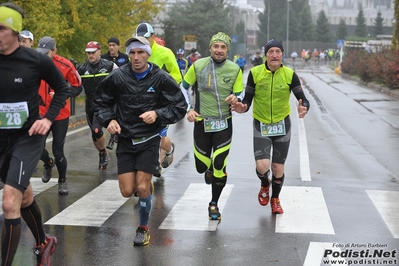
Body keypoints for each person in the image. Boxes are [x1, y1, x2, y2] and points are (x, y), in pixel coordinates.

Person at [93, 36, 187, 246]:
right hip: (126, 139)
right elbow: (100, 101)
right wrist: (109, 120)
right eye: (133, 53)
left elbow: (180, 106)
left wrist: (157, 114)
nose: (136, 57)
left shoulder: (161, 78)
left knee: (143, 187)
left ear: (148, 54)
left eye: (140, 52)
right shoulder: (118, 77)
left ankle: (143, 228)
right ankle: (145, 194)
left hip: (149, 138)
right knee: (127, 191)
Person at [0, 3, 70, 265]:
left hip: (27, 138)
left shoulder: (36, 60)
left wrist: (48, 118)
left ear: (15, 31)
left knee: (9, 202)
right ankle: (44, 241)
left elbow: (62, 89)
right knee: (24, 196)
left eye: (1, 28)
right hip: (1, 140)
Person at [231, 39, 310, 214]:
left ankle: (275, 199)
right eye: (271, 52)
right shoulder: (255, 73)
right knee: (262, 166)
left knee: (278, 168)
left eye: (278, 51)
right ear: (265, 54)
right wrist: (241, 107)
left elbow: (302, 98)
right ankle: (264, 183)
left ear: (282, 54)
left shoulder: (290, 74)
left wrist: (303, 106)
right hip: (261, 123)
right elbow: (247, 101)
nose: (274, 55)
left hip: (282, 124)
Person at [182, 32, 243, 220]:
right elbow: (183, 87)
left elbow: (240, 93)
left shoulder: (235, 69)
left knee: (219, 163)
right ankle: (208, 170)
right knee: (201, 167)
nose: (219, 50)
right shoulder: (198, 66)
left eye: (223, 47)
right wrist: (189, 109)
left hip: (224, 123)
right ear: (210, 48)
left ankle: (214, 204)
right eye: (216, 46)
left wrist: (236, 99)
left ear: (227, 50)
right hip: (202, 123)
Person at [36, 36, 83, 195]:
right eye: (40, 52)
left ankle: (62, 180)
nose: (42, 55)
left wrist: (61, 94)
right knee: (36, 149)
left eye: (46, 53)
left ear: (54, 51)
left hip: (60, 115)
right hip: (41, 113)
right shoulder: (33, 62)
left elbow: (77, 87)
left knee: (58, 150)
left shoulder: (65, 65)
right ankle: (48, 164)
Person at [135, 22, 182, 176]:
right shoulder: (135, 52)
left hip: (159, 104)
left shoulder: (165, 53)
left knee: (159, 137)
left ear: (153, 37)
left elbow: (176, 75)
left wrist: (163, 89)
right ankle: (159, 158)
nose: (143, 41)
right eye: (140, 38)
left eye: (146, 38)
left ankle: (160, 160)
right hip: (140, 103)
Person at [77, 41, 118, 170]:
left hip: (107, 105)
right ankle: (102, 152)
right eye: (88, 53)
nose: (91, 55)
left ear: (99, 51)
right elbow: (75, 86)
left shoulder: (110, 66)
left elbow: (121, 80)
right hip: (90, 105)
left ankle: (117, 142)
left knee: (101, 129)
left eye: (93, 52)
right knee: (95, 133)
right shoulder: (81, 68)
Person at [101, 37, 129, 150]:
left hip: (121, 90)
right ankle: (115, 133)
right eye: (110, 45)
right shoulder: (103, 58)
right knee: (110, 112)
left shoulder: (125, 58)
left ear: (118, 46)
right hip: (107, 90)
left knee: (118, 112)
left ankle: (113, 138)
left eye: (114, 45)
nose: (112, 47)